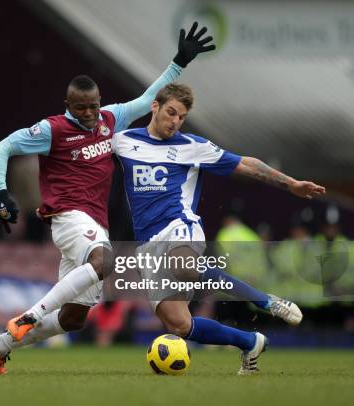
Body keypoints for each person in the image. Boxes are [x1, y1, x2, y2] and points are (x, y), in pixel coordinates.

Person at [0, 22, 216, 374]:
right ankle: (30, 315)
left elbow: (147, 97)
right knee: (104, 260)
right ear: (67, 105)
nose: (89, 114)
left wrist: (178, 62)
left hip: (95, 221)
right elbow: (3, 148)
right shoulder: (52, 129)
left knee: (74, 318)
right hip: (68, 216)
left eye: (93, 106)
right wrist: (1, 192)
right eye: (80, 108)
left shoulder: (110, 119)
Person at [111, 83, 325, 374]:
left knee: (184, 265)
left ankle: (266, 301)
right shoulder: (122, 142)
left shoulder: (192, 146)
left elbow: (247, 164)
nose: (175, 121)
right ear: (155, 107)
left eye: (182, 116)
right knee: (179, 324)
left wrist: (291, 184)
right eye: (171, 112)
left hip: (180, 227)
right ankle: (250, 342)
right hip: (147, 244)